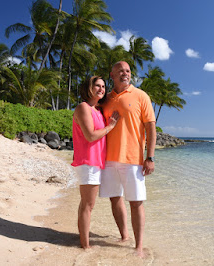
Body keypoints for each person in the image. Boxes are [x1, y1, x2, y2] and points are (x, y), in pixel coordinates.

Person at [100, 61, 156, 257]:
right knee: (115, 199)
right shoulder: (105, 99)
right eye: (120, 71)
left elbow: (150, 127)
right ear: (112, 75)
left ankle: (139, 246)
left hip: (133, 158)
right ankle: (124, 237)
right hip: (108, 159)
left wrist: (150, 157)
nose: (125, 73)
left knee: (136, 202)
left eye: (128, 71)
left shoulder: (141, 96)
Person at [71, 76, 120, 249]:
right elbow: (90, 135)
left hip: (96, 162)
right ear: (89, 88)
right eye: (97, 86)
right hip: (87, 162)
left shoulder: (97, 110)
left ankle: (84, 242)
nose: (101, 88)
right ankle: (85, 246)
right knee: (88, 205)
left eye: (103, 86)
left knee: (87, 204)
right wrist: (110, 127)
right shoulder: (83, 107)